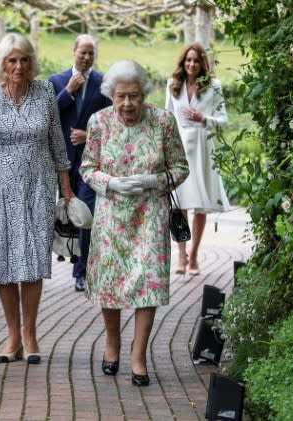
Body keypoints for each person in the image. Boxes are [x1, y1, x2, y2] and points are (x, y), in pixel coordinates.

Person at [80, 60, 188, 386]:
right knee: (110, 281)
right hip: (111, 215)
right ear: (111, 95)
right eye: (120, 96)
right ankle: (112, 344)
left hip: (150, 215)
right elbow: (86, 168)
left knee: (149, 283)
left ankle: (138, 356)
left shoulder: (163, 122)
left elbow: (181, 168)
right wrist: (110, 182)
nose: (127, 104)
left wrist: (151, 180)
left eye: (134, 96)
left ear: (144, 94)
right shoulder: (98, 122)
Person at [0, 33, 74, 365]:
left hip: (38, 189)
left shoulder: (45, 92)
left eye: (24, 59)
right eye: (12, 60)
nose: (18, 66)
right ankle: (12, 335)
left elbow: (58, 141)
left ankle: (30, 334)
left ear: (32, 62)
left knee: (30, 262)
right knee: (3, 263)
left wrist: (67, 189)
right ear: (2, 63)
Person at [48, 34, 112, 292]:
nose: (86, 58)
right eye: (82, 52)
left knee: (86, 214)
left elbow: (111, 121)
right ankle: (59, 259)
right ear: (74, 51)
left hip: (90, 161)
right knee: (64, 214)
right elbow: (47, 115)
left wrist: (89, 136)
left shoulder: (103, 83)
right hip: (61, 161)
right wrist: (69, 91)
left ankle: (82, 272)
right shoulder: (56, 81)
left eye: (91, 54)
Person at [165, 43, 230, 276]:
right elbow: (167, 119)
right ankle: (180, 255)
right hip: (179, 149)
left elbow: (224, 120)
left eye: (195, 60)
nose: (191, 64)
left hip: (203, 149)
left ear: (203, 63)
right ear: (183, 62)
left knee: (200, 206)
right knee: (180, 205)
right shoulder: (173, 85)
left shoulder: (214, 86)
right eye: (188, 60)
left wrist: (204, 118)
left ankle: (194, 256)